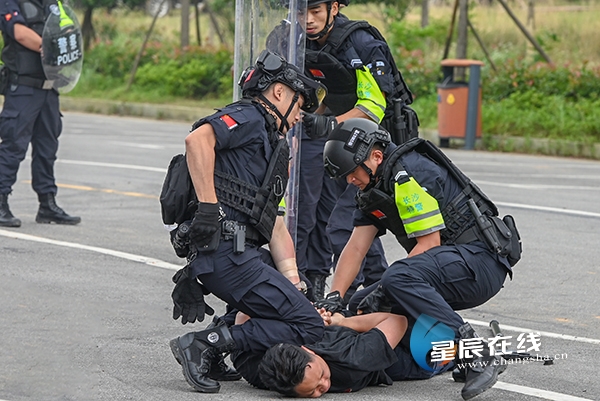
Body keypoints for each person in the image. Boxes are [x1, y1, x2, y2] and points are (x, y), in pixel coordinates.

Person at [318, 118, 522, 400]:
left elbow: (429, 243)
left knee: (396, 279)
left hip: (479, 263)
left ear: (376, 156)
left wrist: (383, 290)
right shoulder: (375, 185)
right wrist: (334, 297)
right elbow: (355, 248)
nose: (350, 180)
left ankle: (477, 352)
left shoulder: (408, 173)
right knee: (359, 304)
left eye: (352, 172)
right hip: (452, 265)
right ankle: (452, 356)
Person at [167, 49, 328, 394]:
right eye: (299, 104)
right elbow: (197, 140)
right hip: (227, 253)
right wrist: (209, 208)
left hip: (243, 254)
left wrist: (295, 285)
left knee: (292, 308)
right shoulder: (251, 116)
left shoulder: (272, 142)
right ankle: (204, 343)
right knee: (310, 327)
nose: (301, 115)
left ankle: (216, 345)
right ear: (279, 92)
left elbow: (275, 225)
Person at [294, 0, 420, 301]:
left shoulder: (360, 42)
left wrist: (328, 124)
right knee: (354, 221)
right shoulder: (301, 42)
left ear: (334, 8)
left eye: (315, 11)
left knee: (342, 225)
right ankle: (379, 291)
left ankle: (343, 300)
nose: (308, 20)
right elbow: (328, 91)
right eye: (302, 12)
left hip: (373, 150)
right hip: (341, 144)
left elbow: (374, 105)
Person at [0, 0, 81, 227]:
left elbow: (67, 28)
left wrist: (67, 42)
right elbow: (19, 32)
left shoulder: (53, 2)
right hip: (23, 88)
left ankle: (47, 204)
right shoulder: (9, 2)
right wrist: (50, 46)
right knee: (14, 146)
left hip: (50, 86)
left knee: (47, 149)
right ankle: (1, 200)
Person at [258, 309, 439, 397]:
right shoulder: (273, 374)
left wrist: (340, 321)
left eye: (321, 374)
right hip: (369, 344)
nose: (325, 385)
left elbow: (398, 321)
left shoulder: (355, 359)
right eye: (312, 391)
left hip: (412, 356)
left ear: (306, 349)